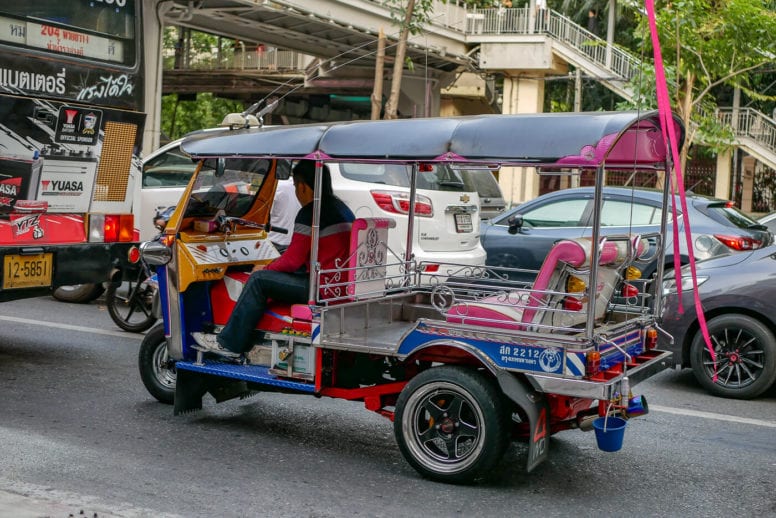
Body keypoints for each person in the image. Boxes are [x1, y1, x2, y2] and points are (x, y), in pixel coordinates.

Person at [192, 160, 355, 358]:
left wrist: (265, 268)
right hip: (338, 284)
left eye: (296, 186)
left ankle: (228, 343)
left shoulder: (311, 212)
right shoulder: (341, 208)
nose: (296, 192)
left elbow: (292, 261)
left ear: (302, 186)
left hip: (319, 288)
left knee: (259, 280)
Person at [267, 176, 301, 252]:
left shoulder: (276, 186)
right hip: (294, 242)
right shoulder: (302, 187)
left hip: (273, 242)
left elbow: (263, 216)